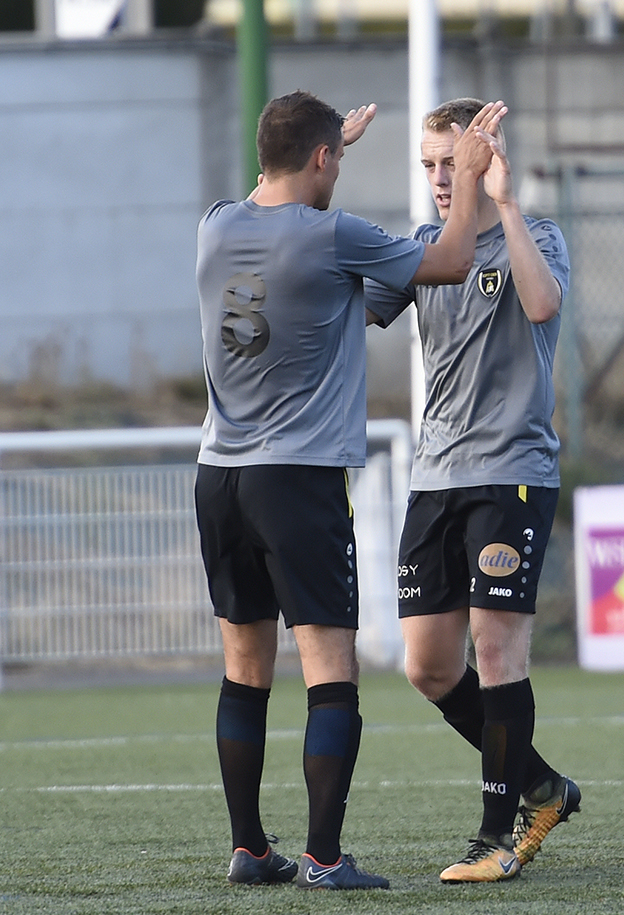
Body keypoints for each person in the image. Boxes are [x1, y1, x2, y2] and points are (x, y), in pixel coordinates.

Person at [194, 90, 501, 890]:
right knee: (330, 667)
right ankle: (325, 857)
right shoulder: (334, 235)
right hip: (295, 480)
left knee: (244, 666)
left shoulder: (217, 222)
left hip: (218, 475)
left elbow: (282, 189)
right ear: (327, 159)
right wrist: (465, 174)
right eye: (333, 158)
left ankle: (251, 848)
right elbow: (454, 259)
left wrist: (326, 148)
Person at [363, 97, 578, 885]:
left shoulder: (540, 233)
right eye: (428, 163)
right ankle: (544, 786)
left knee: (496, 653)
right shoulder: (423, 248)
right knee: (428, 666)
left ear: (486, 159)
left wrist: (508, 203)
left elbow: (544, 304)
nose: (438, 178)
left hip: (511, 473)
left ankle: (496, 836)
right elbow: (361, 308)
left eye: (451, 161)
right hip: (435, 475)